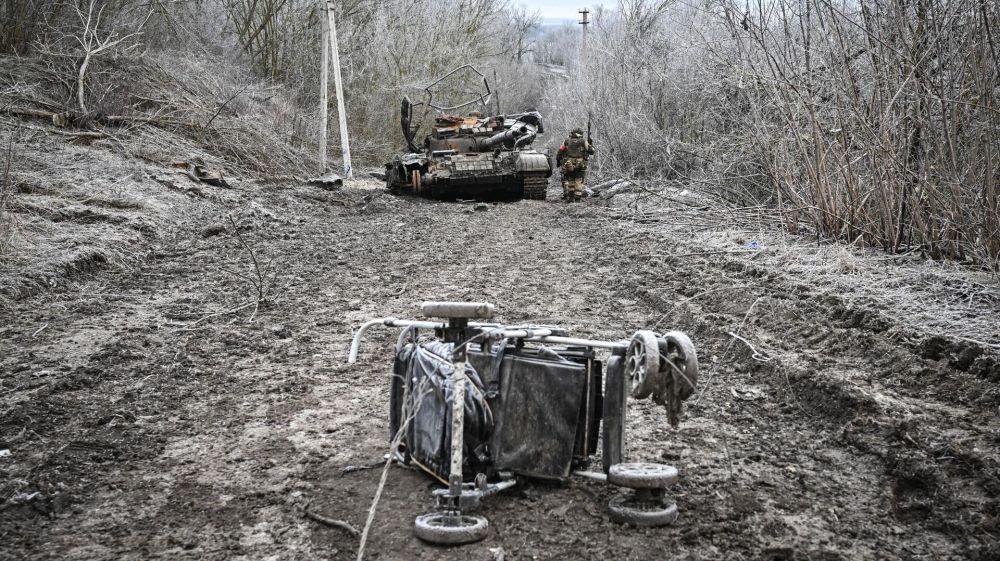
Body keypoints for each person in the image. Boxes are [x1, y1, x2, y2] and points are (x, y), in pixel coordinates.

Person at [556, 127, 595, 201]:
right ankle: (577, 198)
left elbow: (560, 150)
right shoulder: (583, 141)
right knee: (578, 180)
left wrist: (558, 161)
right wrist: (591, 144)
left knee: (570, 179)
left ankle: (570, 197)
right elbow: (592, 151)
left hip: (569, 163)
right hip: (580, 164)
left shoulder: (567, 141)